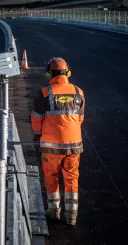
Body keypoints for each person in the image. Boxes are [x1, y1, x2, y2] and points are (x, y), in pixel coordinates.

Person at [30, 57, 85, 226]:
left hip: (51, 146)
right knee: (72, 178)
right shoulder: (78, 92)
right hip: (74, 145)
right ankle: (71, 215)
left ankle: (54, 211)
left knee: (51, 176)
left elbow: (36, 119)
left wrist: (38, 134)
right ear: (67, 72)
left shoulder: (44, 93)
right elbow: (80, 118)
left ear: (48, 73)